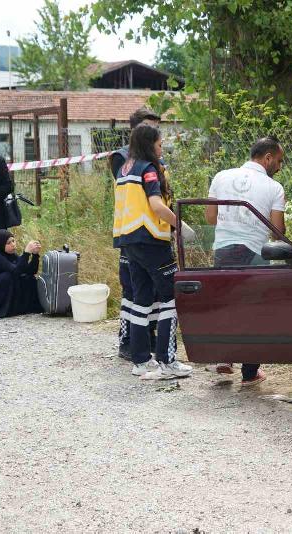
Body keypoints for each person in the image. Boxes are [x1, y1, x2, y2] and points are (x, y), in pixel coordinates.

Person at [204, 136, 286, 385]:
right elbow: (277, 231)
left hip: (223, 250)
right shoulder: (274, 188)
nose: (280, 166)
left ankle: (224, 358)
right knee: (255, 312)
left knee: (226, 305)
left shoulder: (221, 176)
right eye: (279, 161)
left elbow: (210, 218)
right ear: (268, 158)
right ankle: (250, 374)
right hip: (255, 253)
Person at [113, 124, 192, 380]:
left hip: (129, 242)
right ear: (150, 144)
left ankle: (140, 362)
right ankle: (167, 361)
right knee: (170, 298)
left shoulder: (125, 169)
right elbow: (156, 205)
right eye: (159, 144)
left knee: (141, 301)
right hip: (151, 240)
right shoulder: (148, 170)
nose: (161, 148)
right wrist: (178, 225)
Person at [109, 108, 162, 360]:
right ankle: (127, 341)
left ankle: (147, 340)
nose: (155, 134)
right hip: (132, 232)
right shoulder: (121, 158)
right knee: (131, 290)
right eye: (149, 128)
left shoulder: (156, 159)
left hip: (153, 233)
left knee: (150, 292)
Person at [0, 230, 43, 319]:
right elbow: (16, 271)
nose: (13, 244)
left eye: (13, 241)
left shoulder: (12, 255)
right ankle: (2, 309)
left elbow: (30, 271)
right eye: (8, 243)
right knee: (6, 276)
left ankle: (25, 307)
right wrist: (26, 253)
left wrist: (35, 255)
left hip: (1, 288)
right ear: (1, 244)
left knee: (28, 278)